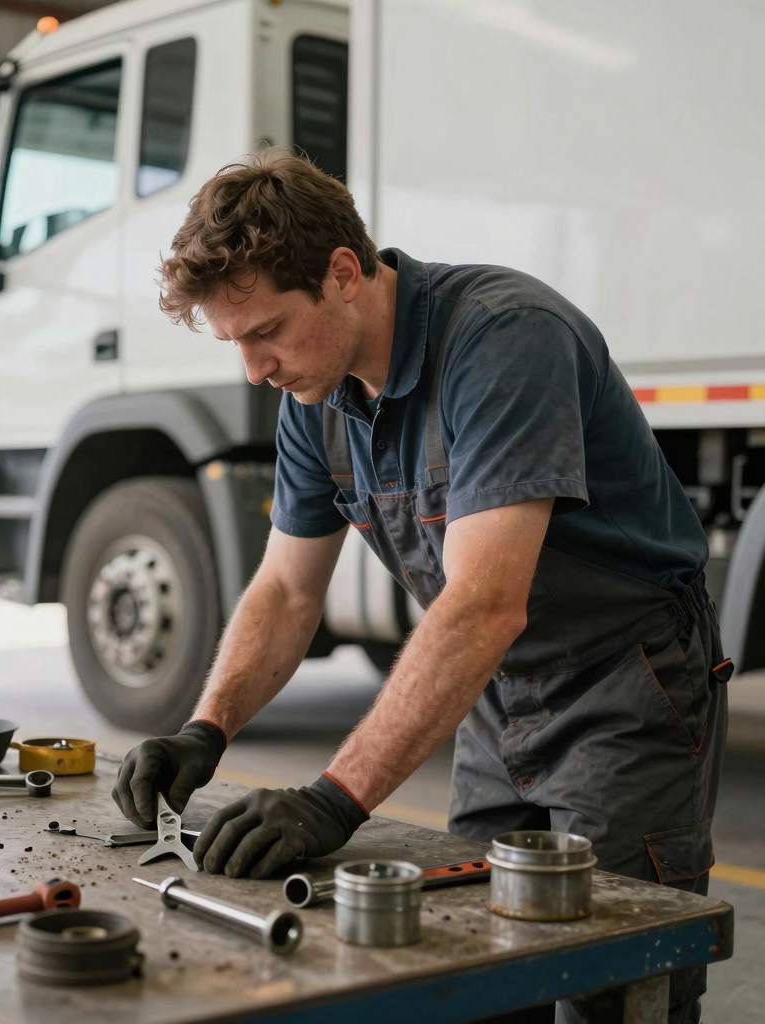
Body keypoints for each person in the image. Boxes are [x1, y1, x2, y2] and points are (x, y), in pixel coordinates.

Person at [112, 152, 729, 1023]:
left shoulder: (503, 340)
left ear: (343, 273)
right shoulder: (313, 402)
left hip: (623, 686)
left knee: (614, 982)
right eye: (235, 343)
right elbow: (288, 592)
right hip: (494, 696)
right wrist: (204, 729)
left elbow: (483, 602)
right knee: (475, 965)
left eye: (268, 332)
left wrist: (334, 800)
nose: (255, 370)